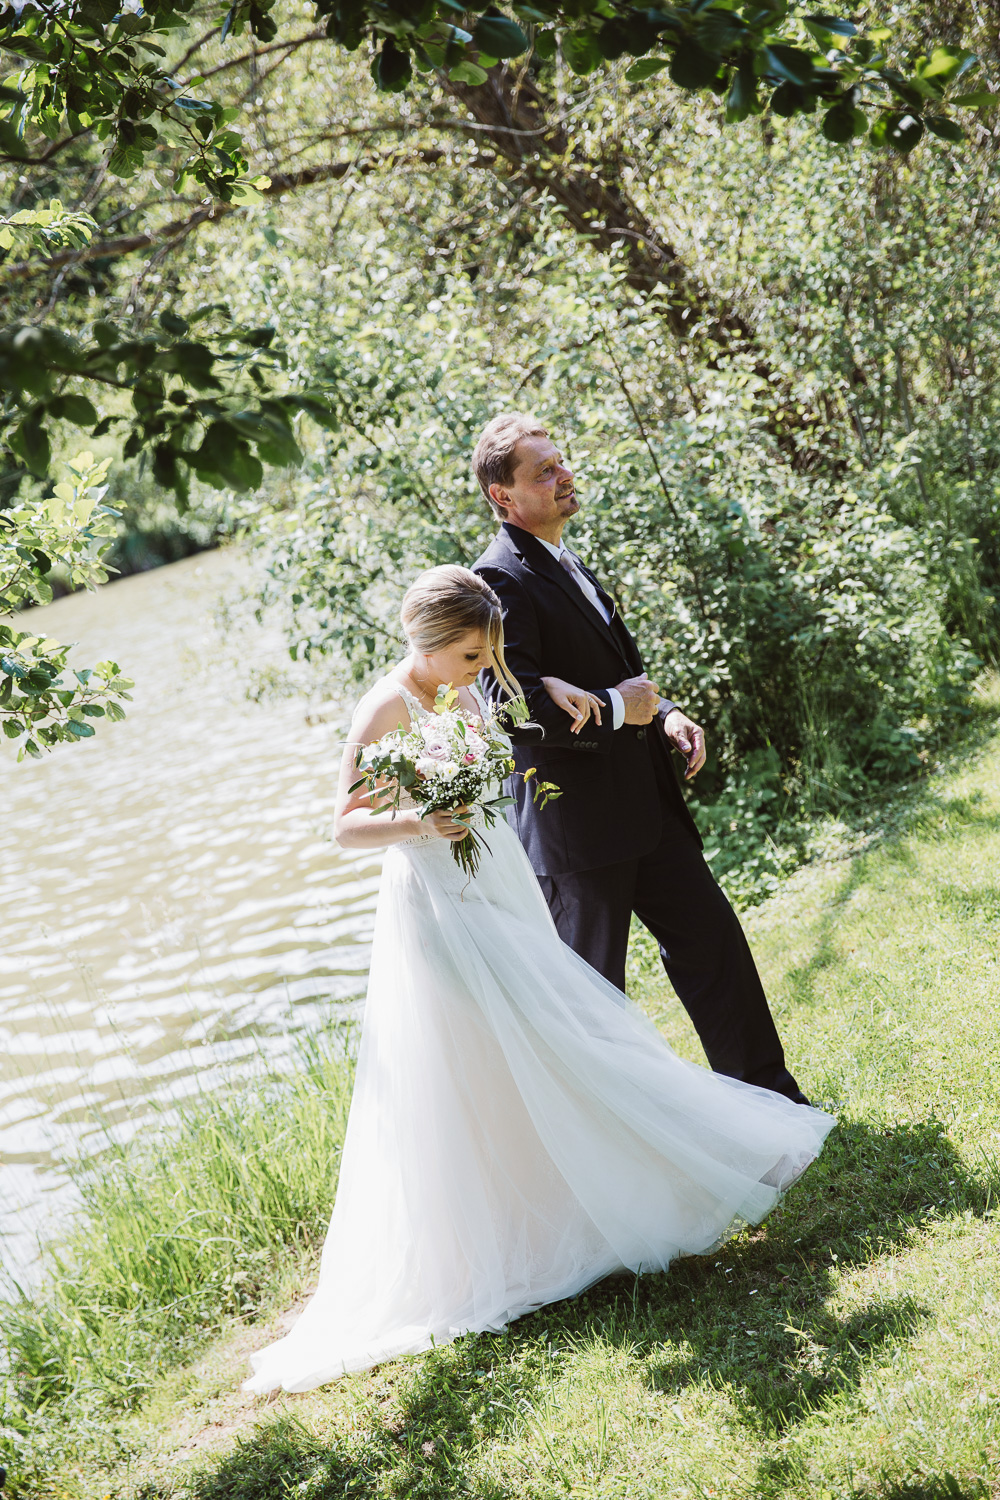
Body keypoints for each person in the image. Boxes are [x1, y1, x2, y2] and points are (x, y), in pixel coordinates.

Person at [242, 566, 834, 1395]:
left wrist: (556, 688)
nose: (485, 667)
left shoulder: (483, 683)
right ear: (427, 643)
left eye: (492, 652)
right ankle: (512, 1226)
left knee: (548, 1034)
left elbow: (526, 721)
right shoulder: (385, 708)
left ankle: (581, 1196)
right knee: (497, 1050)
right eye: (472, 653)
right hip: (440, 905)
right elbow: (343, 825)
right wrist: (423, 819)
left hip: (503, 881)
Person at [471, 414, 807, 1104]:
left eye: (561, 463)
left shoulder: (562, 558)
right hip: (582, 835)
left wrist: (669, 714)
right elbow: (514, 707)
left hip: (647, 808)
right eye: (544, 472)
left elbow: (620, 672)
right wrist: (623, 710)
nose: (565, 477)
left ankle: (775, 1108)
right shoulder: (498, 580)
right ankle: (606, 1159)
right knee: (594, 1004)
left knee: (714, 948)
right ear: (503, 497)